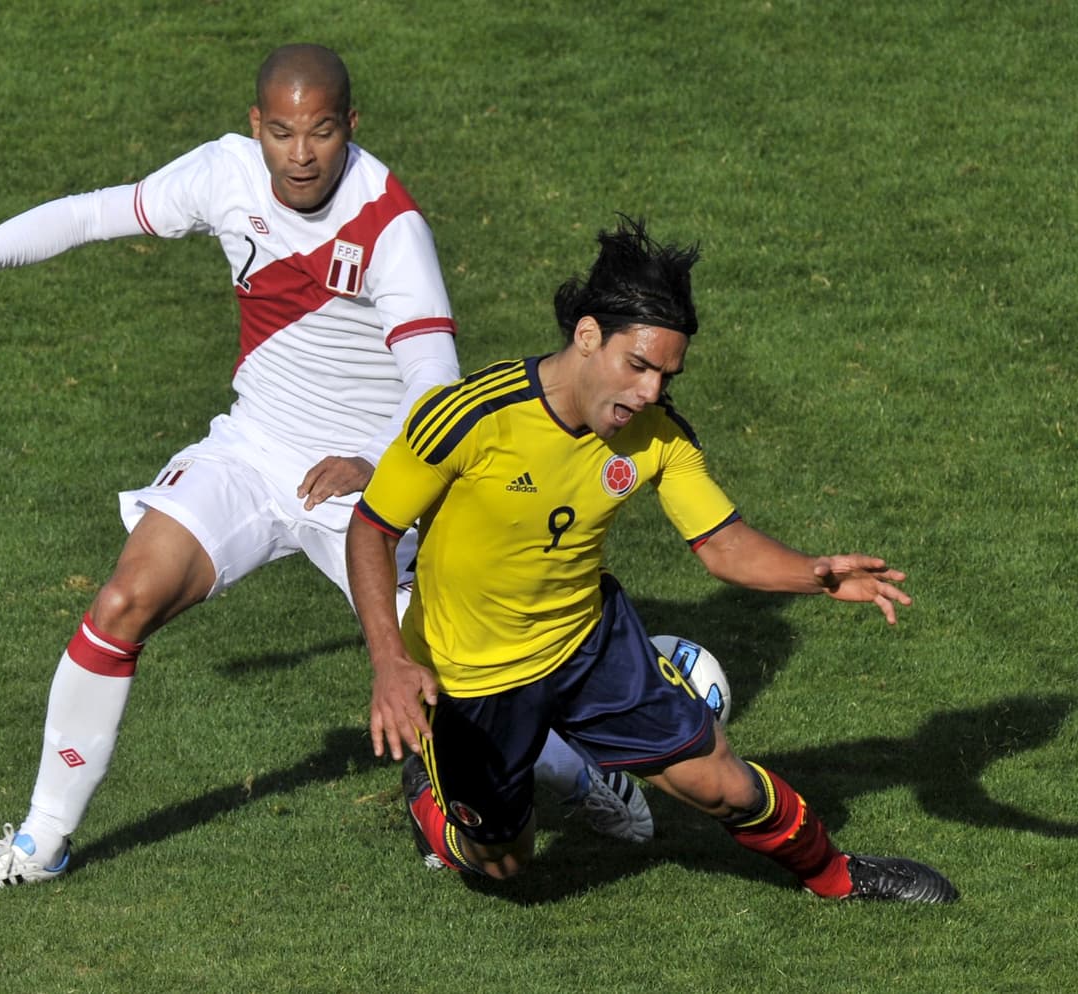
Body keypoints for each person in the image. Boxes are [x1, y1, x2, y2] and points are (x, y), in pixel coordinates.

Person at [0, 45, 650, 896]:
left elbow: (438, 388)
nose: (302, 153)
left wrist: (374, 463)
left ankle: (586, 776)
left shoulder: (390, 229)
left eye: (321, 131)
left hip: (364, 489)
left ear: (351, 126)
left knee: (447, 684)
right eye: (282, 133)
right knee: (123, 600)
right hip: (251, 452)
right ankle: (40, 843)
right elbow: (97, 213)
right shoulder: (224, 176)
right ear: (258, 128)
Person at [346, 216, 958, 902]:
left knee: (721, 783)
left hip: (588, 644)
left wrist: (813, 574)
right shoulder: (468, 417)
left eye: (666, 375)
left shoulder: (657, 436)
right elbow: (370, 528)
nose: (649, 393)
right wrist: (391, 662)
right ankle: (430, 797)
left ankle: (838, 876)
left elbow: (722, 543)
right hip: (471, 676)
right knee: (503, 862)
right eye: (637, 367)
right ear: (586, 337)